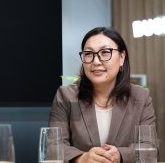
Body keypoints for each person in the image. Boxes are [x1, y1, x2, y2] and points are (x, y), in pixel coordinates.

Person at [49, 27, 157, 163]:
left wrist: (120, 155)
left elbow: (150, 147)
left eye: (105, 52)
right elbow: (53, 147)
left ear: (122, 57)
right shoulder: (67, 96)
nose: (96, 61)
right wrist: (83, 158)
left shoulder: (140, 97)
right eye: (88, 54)